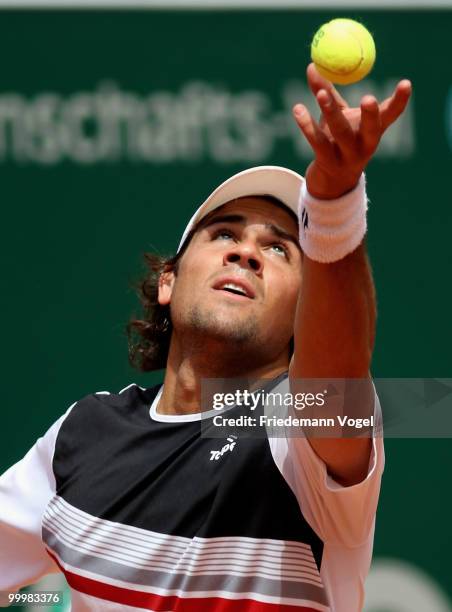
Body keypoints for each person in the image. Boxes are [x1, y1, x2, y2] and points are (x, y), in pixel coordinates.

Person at [0, 64, 411, 612]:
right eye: (224, 234)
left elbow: (337, 377)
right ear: (168, 280)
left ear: (302, 313)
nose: (245, 252)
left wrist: (334, 206)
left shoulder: (301, 430)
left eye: (279, 249)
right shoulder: (83, 434)